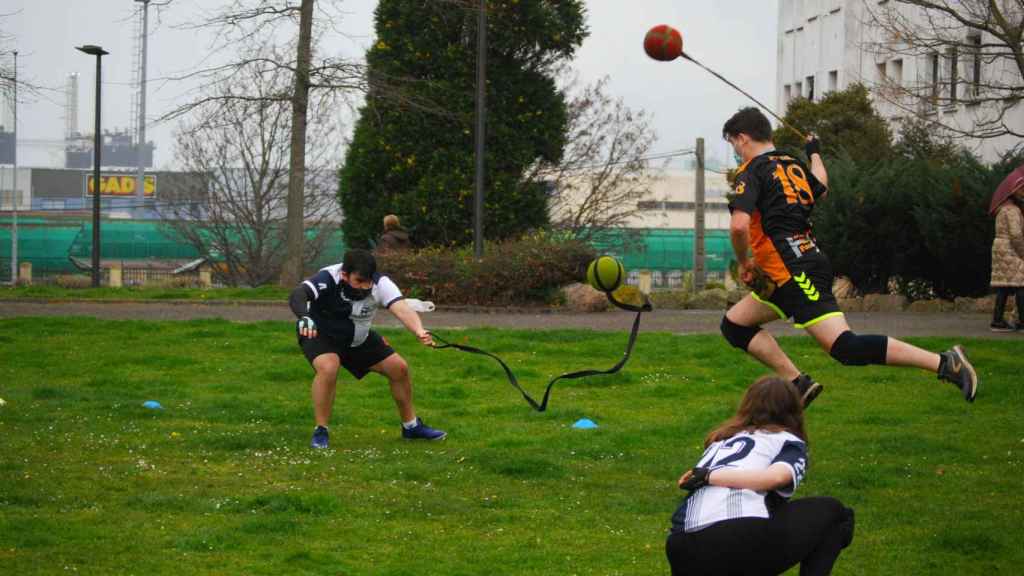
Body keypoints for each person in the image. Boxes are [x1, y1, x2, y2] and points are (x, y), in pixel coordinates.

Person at [719, 107, 978, 406]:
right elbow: (822, 188)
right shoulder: (791, 165)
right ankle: (798, 383)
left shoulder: (752, 171)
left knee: (845, 347)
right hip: (793, 266)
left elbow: (739, 225)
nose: (736, 153)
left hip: (794, 271)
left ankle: (945, 362)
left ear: (742, 138)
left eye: (734, 145)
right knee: (735, 325)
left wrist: (744, 262)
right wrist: (814, 152)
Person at [666, 375, 854, 576]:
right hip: (733, 537)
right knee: (837, 514)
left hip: (680, 545)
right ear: (794, 410)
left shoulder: (720, 439)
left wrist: (707, 475)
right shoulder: (787, 441)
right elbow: (774, 478)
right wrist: (709, 476)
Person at [288, 249, 445, 448]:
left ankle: (411, 427)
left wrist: (419, 330)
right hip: (320, 334)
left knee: (399, 368)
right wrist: (304, 316)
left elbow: (401, 308)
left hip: (358, 338)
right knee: (329, 367)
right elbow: (298, 294)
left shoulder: (382, 284)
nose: (365, 287)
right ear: (345, 275)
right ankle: (321, 430)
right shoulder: (328, 277)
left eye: (368, 281)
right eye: (359, 281)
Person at [989, 179, 1024, 331]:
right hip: (1010, 248)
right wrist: (1023, 252)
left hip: (1001, 247)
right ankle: (1022, 321)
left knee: (1003, 285)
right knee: (1022, 284)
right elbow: (1016, 235)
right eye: (1022, 190)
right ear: (1013, 192)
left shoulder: (1003, 209)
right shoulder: (1013, 211)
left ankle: (997, 321)